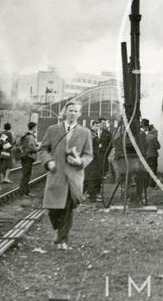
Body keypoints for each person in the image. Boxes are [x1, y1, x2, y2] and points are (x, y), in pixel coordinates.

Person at [37, 101, 93, 250]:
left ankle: (63, 239)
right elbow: (42, 149)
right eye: (70, 110)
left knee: (68, 208)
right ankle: (57, 230)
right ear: (64, 112)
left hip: (74, 176)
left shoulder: (85, 132)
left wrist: (79, 161)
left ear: (79, 114)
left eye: (76, 111)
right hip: (56, 174)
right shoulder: (52, 129)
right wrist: (48, 161)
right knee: (53, 208)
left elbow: (89, 155)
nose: (73, 113)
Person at [83, 120, 104, 201]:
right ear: (92, 125)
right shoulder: (90, 135)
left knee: (93, 176)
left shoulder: (94, 134)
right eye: (96, 126)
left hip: (95, 158)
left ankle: (91, 194)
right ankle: (92, 195)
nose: (97, 128)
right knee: (91, 177)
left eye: (98, 126)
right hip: (92, 159)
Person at [18, 122, 39, 196]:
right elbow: (31, 148)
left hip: (24, 156)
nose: (36, 129)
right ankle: (23, 192)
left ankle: (26, 191)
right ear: (33, 128)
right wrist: (39, 148)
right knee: (26, 175)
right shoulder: (30, 137)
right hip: (28, 157)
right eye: (36, 127)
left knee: (26, 174)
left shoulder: (25, 135)